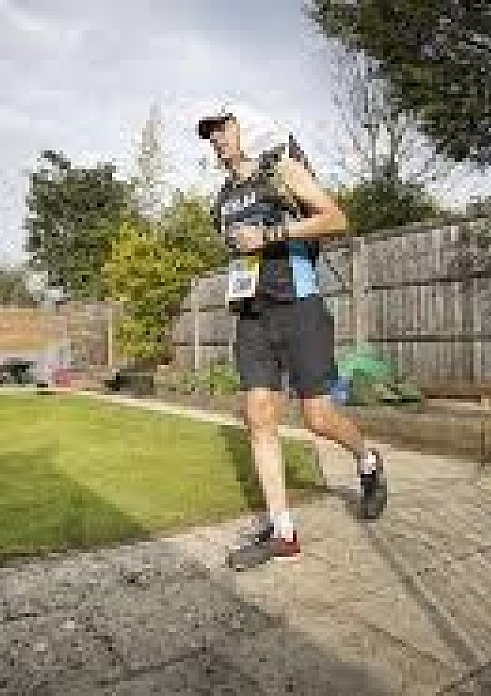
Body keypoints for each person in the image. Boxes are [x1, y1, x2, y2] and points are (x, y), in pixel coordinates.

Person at [196, 104, 388, 571]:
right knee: (258, 415)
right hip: (252, 314)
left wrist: (270, 234)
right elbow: (239, 252)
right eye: (210, 133)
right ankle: (283, 532)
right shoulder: (221, 199)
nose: (217, 138)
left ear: (246, 126)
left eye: (223, 127)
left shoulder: (280, 170)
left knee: (318, 417)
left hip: (299, 307)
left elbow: (336, 219)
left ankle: (367, 460)